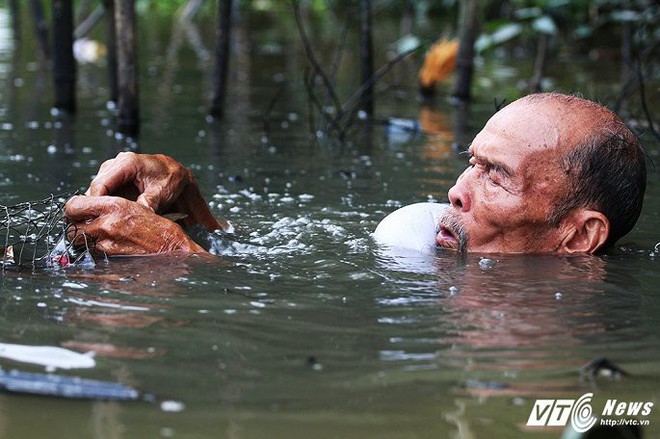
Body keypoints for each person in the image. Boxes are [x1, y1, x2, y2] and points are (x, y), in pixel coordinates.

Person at [64, 92, 646, 256]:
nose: (455, 192)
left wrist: (174, 254)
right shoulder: (427, 247)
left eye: (497, 176)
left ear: (578, 236)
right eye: (472, 162)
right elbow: (275, 259)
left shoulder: (558, 330)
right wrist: (194, 211)